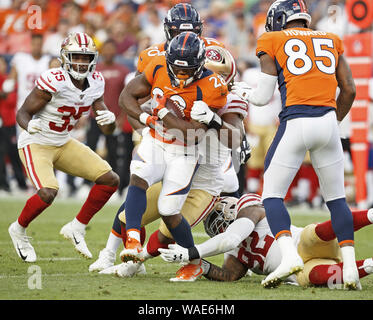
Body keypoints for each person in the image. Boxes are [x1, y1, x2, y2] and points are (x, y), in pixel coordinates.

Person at [89, 45, 250, 281]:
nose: (212, 78)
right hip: (177, 158)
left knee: (167, 227)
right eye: (208, 71)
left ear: (228, 78)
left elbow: (234, 139)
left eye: (219, 75)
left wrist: (214, 120)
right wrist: (148, 124)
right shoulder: (185, 83)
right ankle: (112, 253)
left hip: (205, 179)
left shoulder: (227, 98)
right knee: (127, 214)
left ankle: (143, 263)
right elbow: (141, 102)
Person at [231, 0, 359, 289]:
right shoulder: (330, 38)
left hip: (296, 121)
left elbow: (262, 97)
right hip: (327, 121)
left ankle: (288, 256)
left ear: (278, 19)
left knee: (272, 196)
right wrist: (330, 121)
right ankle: (349, 267)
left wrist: (242, 91)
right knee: (337, 199)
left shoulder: (271, 38)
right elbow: (349, 89)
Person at [117, 31, 228, 280]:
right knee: (139, 176)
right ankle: (133, 240)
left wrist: (164, 113)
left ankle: (194, 261)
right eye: (176, 69)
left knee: (169, 210)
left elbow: (192, 136)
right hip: (156, 141)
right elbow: (126, 97)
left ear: (200, 65)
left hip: (185, 152)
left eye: (187, 70)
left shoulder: (213, 87)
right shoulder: (157, 66)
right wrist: (146, 118)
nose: (180, 75)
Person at [8, 32, 119, 263]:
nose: (80, 62)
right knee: (48, 192)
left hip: (63, 141)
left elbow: (106, 128)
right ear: (65, 57)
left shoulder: (96, 81)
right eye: (76, 56)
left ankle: (77, 227)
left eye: (85, 57)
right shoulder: (54, 79)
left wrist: (111, 122)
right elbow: (22, 113)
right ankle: (18, 229)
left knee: (110, 179)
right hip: (36, 142)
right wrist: (30, 126)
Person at [159, 194, 373, 289]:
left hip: (303, 244)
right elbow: (230, 275)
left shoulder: (249, 207)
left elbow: (231, 238)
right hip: (299, 269)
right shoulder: (232, 253)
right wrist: (202, 267)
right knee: (311, 277)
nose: (217, 225)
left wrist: (191, 253)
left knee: (313, 234)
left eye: (218, 218)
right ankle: (370, 265)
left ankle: (370, 215)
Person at [0, 56, 28, 194]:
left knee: (13, 153)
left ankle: (21, 184)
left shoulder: (10, 81)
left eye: (2, 63)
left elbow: (11, 100)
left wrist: (4, 93)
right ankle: (3, 185)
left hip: (9, 122)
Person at [3, 33, 50, 113]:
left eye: (39, 44)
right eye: (34, 44)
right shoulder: (21, 59)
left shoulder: (48, 60)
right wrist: (8, 86)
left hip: (42, 107)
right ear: (30, 44)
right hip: (23, 105)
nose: (36, 47)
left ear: (42, 45)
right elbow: (11, 80)